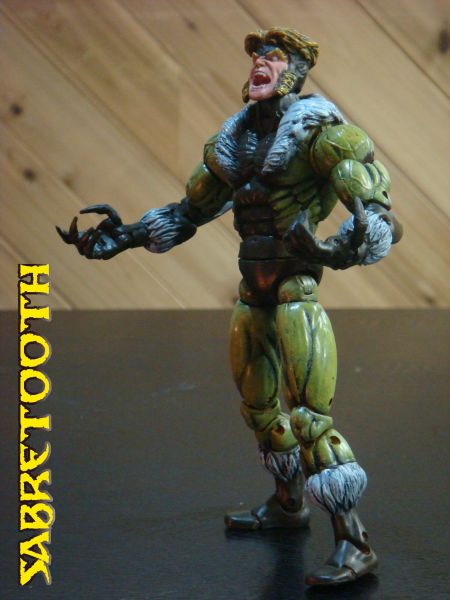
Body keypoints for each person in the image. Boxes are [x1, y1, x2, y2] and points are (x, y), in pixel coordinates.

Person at [58, 27, 402, 586]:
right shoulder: (232, 145)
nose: (260, 64)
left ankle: (354, 541)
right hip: (253, 292)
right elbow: (189, 211)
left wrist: (338, 248)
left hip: (296, 291)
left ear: (294, 72)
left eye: (274, 57)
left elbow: (379, 216)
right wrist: (126, 236)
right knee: (259, 407)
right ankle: (288, 506)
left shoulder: (325, 138)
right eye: (256, 56)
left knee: (310, 418)